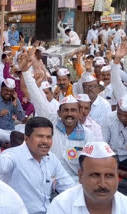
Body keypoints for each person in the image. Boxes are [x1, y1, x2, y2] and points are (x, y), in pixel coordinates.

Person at [0, 110, 75, 213]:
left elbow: (69, 188)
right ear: (26, 138)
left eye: (48, 137)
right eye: (40, 136)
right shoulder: (13, 156)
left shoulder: (51, 159)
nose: (45, 141)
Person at [21, 53, 94, 181]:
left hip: (74, 183)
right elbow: (37, 97)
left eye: (73, 110)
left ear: (79, 112)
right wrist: (26, 72)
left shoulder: (88, 135)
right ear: (59, 113)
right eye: (66, 110)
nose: (69, 114)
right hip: (47, 179)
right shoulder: (52, 121)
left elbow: (90, 166)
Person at [47, 141, 127, 213]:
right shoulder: (61, 205)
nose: (102, 184)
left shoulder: (124, 205)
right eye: (95, 175)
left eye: (109, 176)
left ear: (117, 177)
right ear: (81, 176)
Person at [0, 78, 25, 143]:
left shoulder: (14, 99)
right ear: (1, 88)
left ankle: (15, 140)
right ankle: (17, 140)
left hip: (12, 130)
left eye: (11, 91)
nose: (8, 93)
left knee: (25, 128)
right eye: (6, 90)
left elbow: (22, 118)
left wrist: (15, 105)